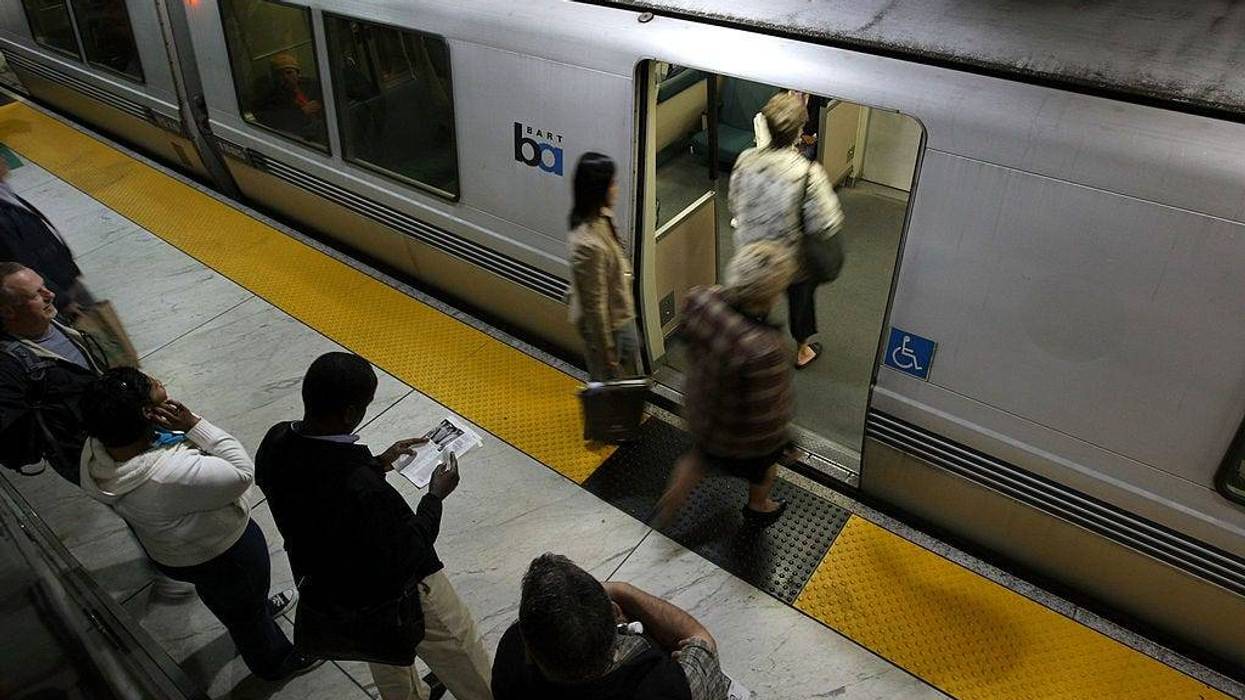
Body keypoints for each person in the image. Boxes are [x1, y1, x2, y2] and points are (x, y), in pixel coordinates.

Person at [255, 352, 492, 700]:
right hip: (398, 593)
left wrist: (379, 462)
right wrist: (435, 497)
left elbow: (315, 483)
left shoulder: (276, 441)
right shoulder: (362, 491)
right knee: (460, 646)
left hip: (343, 593)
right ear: (350, 413)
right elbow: (413, 545)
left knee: (387, 657)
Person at [78, 367, 318, 682]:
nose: (157, 380)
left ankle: (253, 612)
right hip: (222, 554)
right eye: (151, 384)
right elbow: (242, 473)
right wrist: (195, 425)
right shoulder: (168, 474)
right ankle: (273, 661)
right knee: (243, 607)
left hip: (176, 554)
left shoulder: (98, 452)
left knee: (229, 600)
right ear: (147, 413)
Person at [655, 242, 797, 527]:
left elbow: (688, 338)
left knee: (695, 461)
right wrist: (784, 441)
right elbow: (768, 413)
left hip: (701, 411)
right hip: (738, 435)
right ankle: (759, 506)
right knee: (765, 470)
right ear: (771, 295)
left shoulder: (700, 300)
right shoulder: (765, 347)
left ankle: (668, 507)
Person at [492, 553, 730, 699]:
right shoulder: (666, 687)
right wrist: (621, 590)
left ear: (531, 653)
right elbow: (700, 639)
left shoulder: (509, 660)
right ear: (616, 615)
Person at [731, 91, 845, 369]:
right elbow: (825, 222)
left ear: (766, 126)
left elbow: (735, 204)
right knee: (801, 296)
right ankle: (803, 349)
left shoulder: (746, 159)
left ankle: (749, 348)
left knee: (753, 298)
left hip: (751, 251)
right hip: (790, 260)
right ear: (798, 132)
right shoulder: (807, 173)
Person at [0, 262, 106, 482]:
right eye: (36, 294)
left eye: (44, 286)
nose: (50, 294)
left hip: (123, 424)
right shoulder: (8, 367)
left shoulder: (53, 319)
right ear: (8, 311)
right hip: (93, 456)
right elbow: (12, 445)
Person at [567, 152, 638, 381]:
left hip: (621, 318)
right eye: (613, 183)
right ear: (599, 189)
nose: (617, 188)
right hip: (612, 328)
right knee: (613, 388)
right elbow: (595, 306)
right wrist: (607, 352)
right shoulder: (587, 243)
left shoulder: (603, 216)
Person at [0, 159, 89, 312]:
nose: (3, 159)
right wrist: (62, 301)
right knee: (95, 330)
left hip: (63, 276)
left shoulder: (4, 191)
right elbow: (20, 263)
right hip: (55, 291)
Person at [258, 53, 327, 143]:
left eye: (289, 72)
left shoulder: (312, 84)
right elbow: (277, 121)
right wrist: (303, 112)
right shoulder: (273, 98)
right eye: (280, 74)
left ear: (297, 73)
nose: (285, 77)